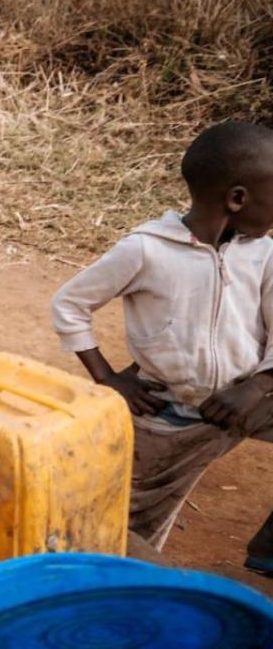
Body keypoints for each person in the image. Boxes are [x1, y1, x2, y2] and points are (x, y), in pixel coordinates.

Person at [50, 121, 273, 573]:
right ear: (237, 199)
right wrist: (108, 377)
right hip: (172, 412)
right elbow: (70, 305)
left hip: (246, 400)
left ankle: (268, 552)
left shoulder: (263, 252)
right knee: (127, 521)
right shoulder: (147, 250)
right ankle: (123, 587)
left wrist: (259, 384)